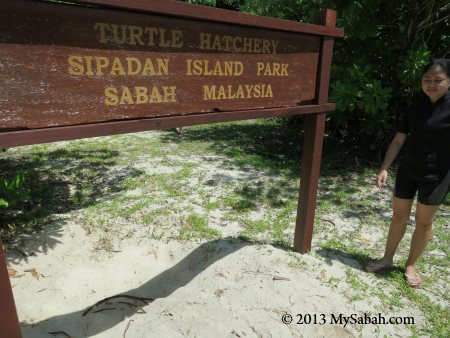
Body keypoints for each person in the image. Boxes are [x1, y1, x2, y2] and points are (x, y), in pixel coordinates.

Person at [366, 58, 450, 287]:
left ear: (449, 82)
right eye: (427, 80)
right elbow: (398, 140)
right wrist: (384, 168)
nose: (431, 84)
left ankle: (411, 265)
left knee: (423, 223)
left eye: (438, 80)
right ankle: (387, 259)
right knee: (398, 216)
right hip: (408, 169)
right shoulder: (415, 107)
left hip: (437, 176)